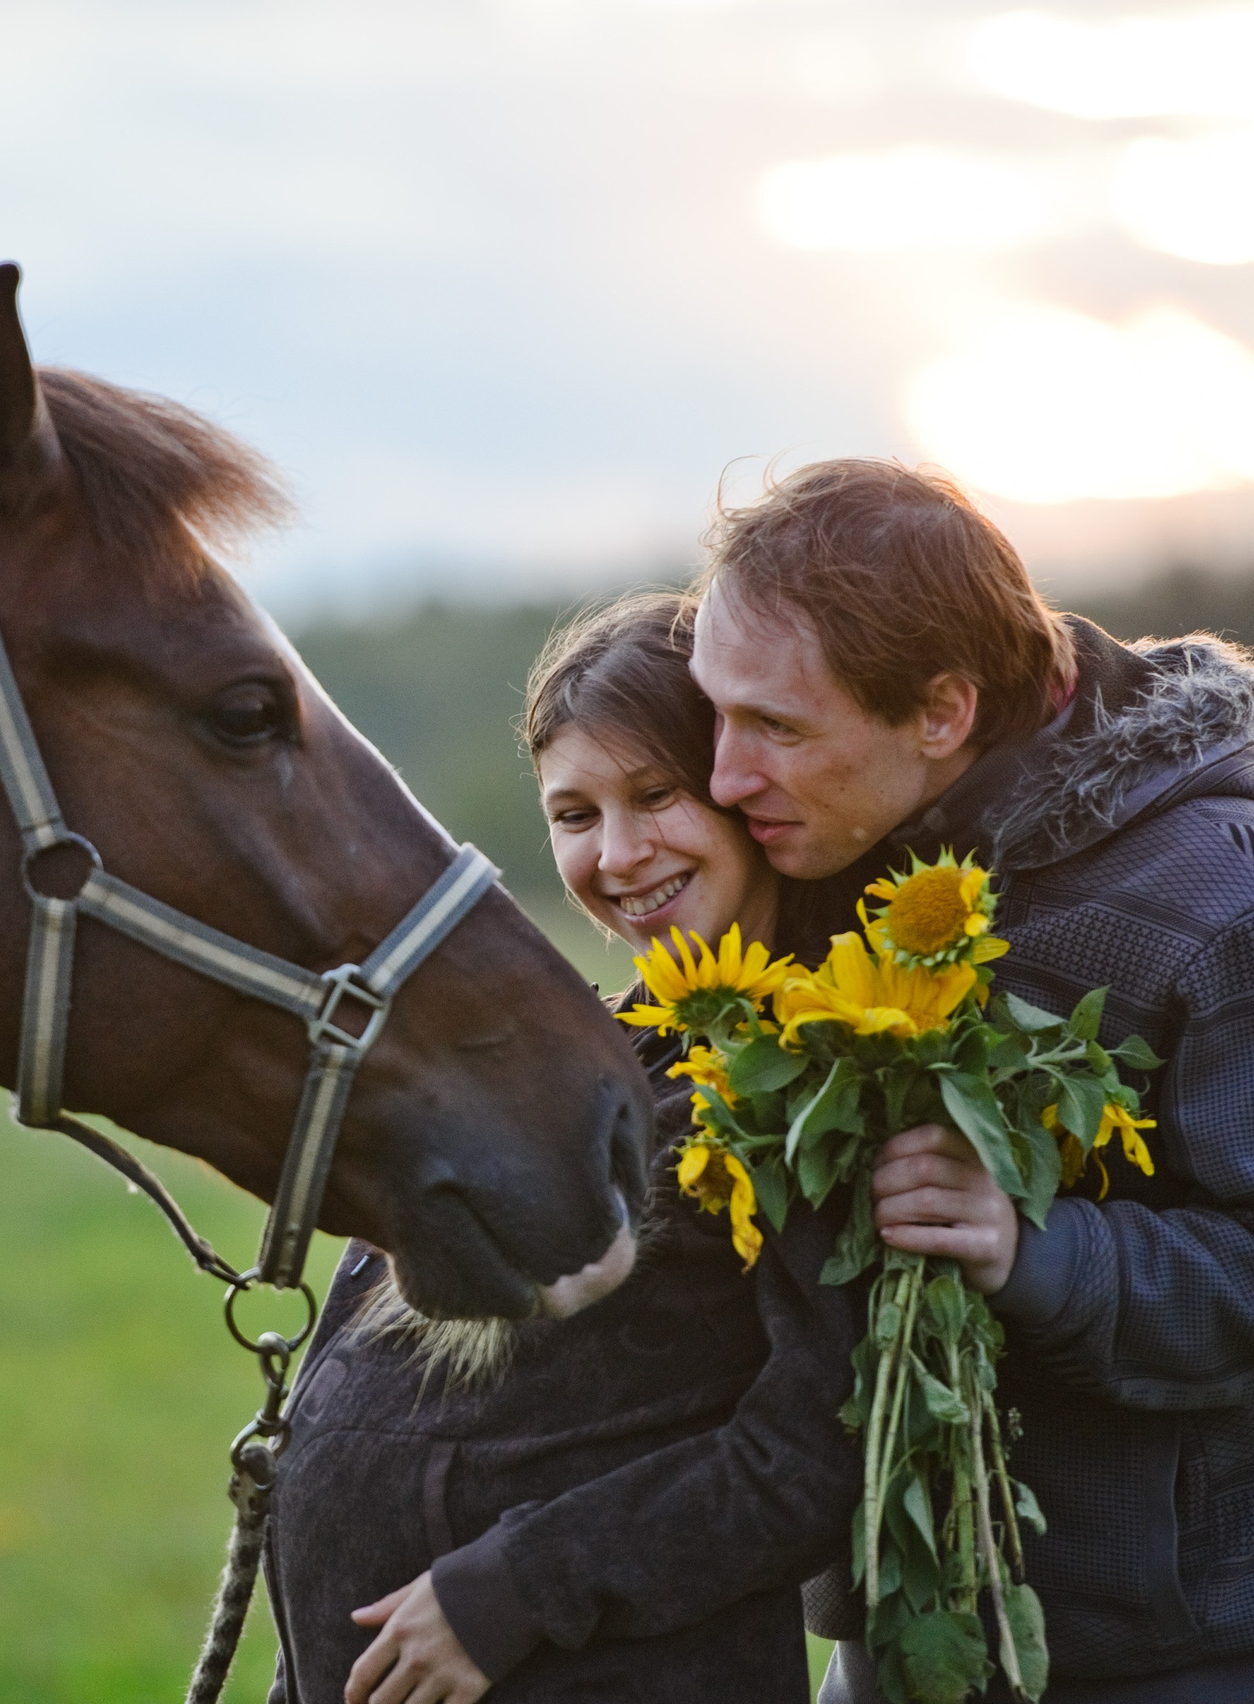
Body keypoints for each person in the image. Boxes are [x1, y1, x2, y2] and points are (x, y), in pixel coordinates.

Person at [684, 460, 1254, 1703]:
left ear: (943, 712)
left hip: (1189, 1660)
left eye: (777, 728)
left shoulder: (1241, 900)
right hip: (899, 1638)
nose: (727, 777)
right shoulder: (839, 855)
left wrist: (1029, 1250)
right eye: (715, 716)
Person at [263, 591, 862, 1704]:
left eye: (655, 796)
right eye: (575, 814)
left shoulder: (826, 1076)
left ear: (745, 796)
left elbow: (813, 1450)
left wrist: (518, 1589)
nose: (620, 854)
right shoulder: (576, 1058)